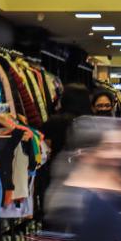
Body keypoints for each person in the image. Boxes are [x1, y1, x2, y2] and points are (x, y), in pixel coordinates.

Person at [37, 84, 91, 226]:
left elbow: (45, 150)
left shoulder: (55, 121)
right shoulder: (91, 123)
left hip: (60, 174)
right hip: (87, 176)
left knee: (57, 221)